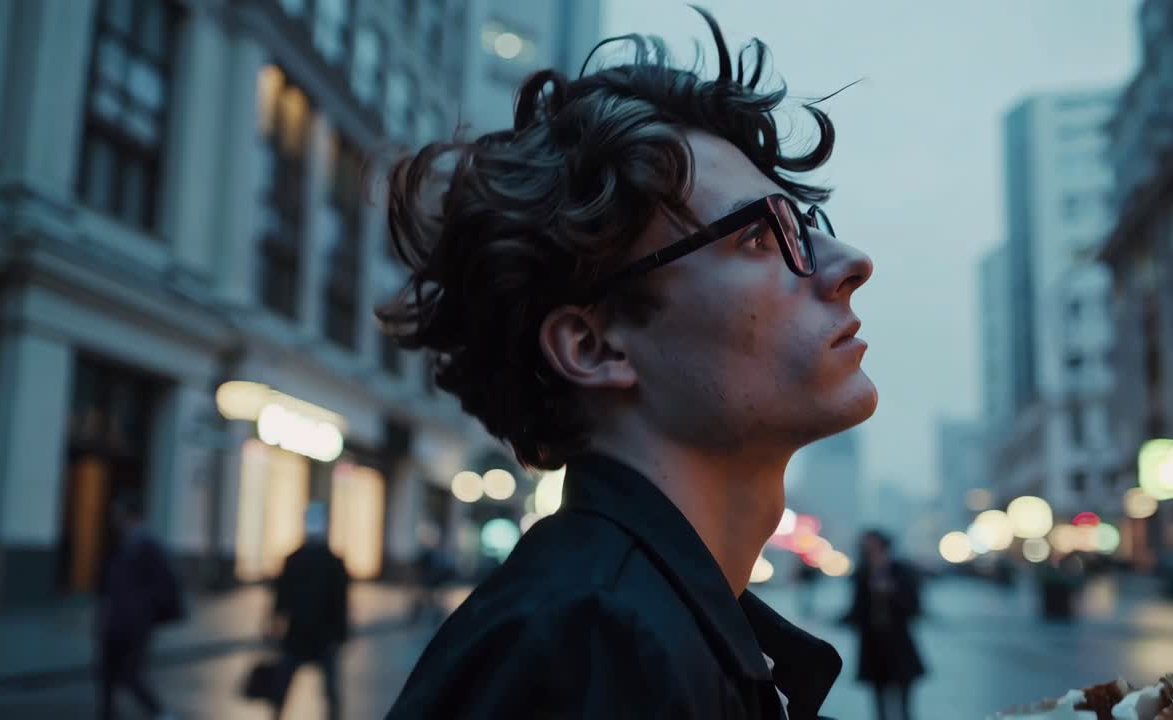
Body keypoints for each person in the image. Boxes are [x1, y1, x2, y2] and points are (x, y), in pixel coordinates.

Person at [378, 7, 875, 719]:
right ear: (594, 346)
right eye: (761, 238)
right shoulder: (592, 643)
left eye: (804, 227)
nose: (850, 263)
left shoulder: (643, 619)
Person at [95, 494, 183, 720]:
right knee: (107, 674)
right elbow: (106, 583)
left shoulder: (149, 548)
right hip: (114, 621)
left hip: (134, 623)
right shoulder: (119, 544)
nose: (116, 518)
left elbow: (165, 587)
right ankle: (107, 714)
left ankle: (160, 712)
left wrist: (144, 611)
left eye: (120, 513)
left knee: (129, 674)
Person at [269, 502, 350, 720]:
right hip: (322, 634)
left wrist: (274, 625)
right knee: (328, 688)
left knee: (286, 684)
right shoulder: (333, 562)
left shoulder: (294, 559)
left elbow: (280, 599)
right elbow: (341, 603)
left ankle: (277, 714)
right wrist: (341, 635)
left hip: (300, 631)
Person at [840, 530, 924, 720]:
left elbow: (914, 607)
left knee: (904, 699)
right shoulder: (863, 573)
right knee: (878, 699)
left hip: (899, 642)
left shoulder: (901, 571)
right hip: (873, 643)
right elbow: (856, 609)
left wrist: (891, 591)